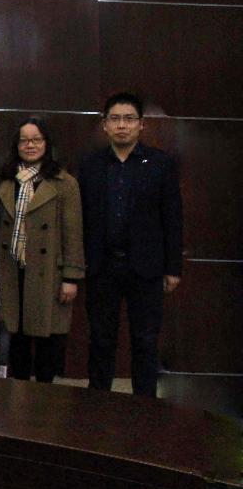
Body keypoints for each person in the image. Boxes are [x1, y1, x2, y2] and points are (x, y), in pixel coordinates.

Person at [79, 92, 182, 397]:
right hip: (102, 265)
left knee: (145, 341)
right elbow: (80, 218)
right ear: (105, 125)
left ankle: (144, 407)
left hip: (146, 267)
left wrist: (173, 267)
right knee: (101, 340)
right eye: (115, 119)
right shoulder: (90, 165)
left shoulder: (160, 164)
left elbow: (172, 218)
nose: (122, 125)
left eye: (128, 119)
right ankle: (98, 404)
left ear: (141, 124)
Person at [0, 118, 85, 383]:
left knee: (48, 341)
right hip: (12, 270)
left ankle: (45, 396)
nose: (30, 145)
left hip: (48, 273)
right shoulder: (5, 181)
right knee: (17, 338)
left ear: (46, 144)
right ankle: (19, 395)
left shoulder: (64, 183)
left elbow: (73, 232)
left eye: (36, 140)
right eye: (24, 140)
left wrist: (71, 277)